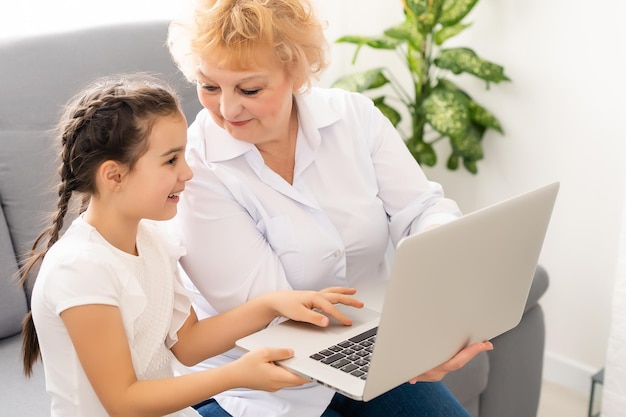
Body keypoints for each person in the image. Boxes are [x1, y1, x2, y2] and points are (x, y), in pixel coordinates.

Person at [166, 1, 494, 416]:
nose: (227, 111)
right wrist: (409, 349)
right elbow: (274, 311)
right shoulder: (195, 166)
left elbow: (422, 208)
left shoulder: (353, 118)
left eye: (249, 89)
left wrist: (435, 285)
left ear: (296, 72)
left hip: (366, 343)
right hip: (262, 378)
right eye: (209, 86)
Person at [19, 73, 364, 417]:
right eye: (171, 160)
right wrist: (236, 375)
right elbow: (123, 401)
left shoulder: (151, 240)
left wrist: (273, 304)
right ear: (114, 176)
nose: (187, 173)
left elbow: (189, 344)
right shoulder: (81, 269)